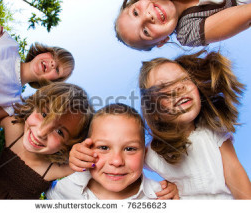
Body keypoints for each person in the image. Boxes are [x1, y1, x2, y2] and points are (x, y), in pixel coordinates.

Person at [138, 50, 251, 199]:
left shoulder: (213, 134)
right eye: (164, 87)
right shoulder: (152, 153)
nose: (179, 87)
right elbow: (123, 170)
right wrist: (162, 186)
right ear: (154, 112)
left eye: (184, 79)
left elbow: (236, 176)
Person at [0, 82, 94, 199]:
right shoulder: (15, 127)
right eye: (44, 114)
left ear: (67, 145)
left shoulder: (55, 168)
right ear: (34, 106)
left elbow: (99, 163)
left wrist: (79, 154)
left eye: (59, 132)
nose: (41, 132)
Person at [0, 25, 75, 129]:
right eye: (53, 55)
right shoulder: (9, 45)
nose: (53, 63)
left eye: (57, 69)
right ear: (44, 51)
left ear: (52, 82)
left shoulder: (14, 102)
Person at [48, 103, 179, 200]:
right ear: (86, 149)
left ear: (145, 154)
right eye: (104, 148)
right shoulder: (65, 187)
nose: (117, 161)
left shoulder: (163, 196)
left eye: (129, 149)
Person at [115, 0, 251, 50]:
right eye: (145, 31)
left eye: (135, 12)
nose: (147, 17)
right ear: (162, 41)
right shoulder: (188, 31)